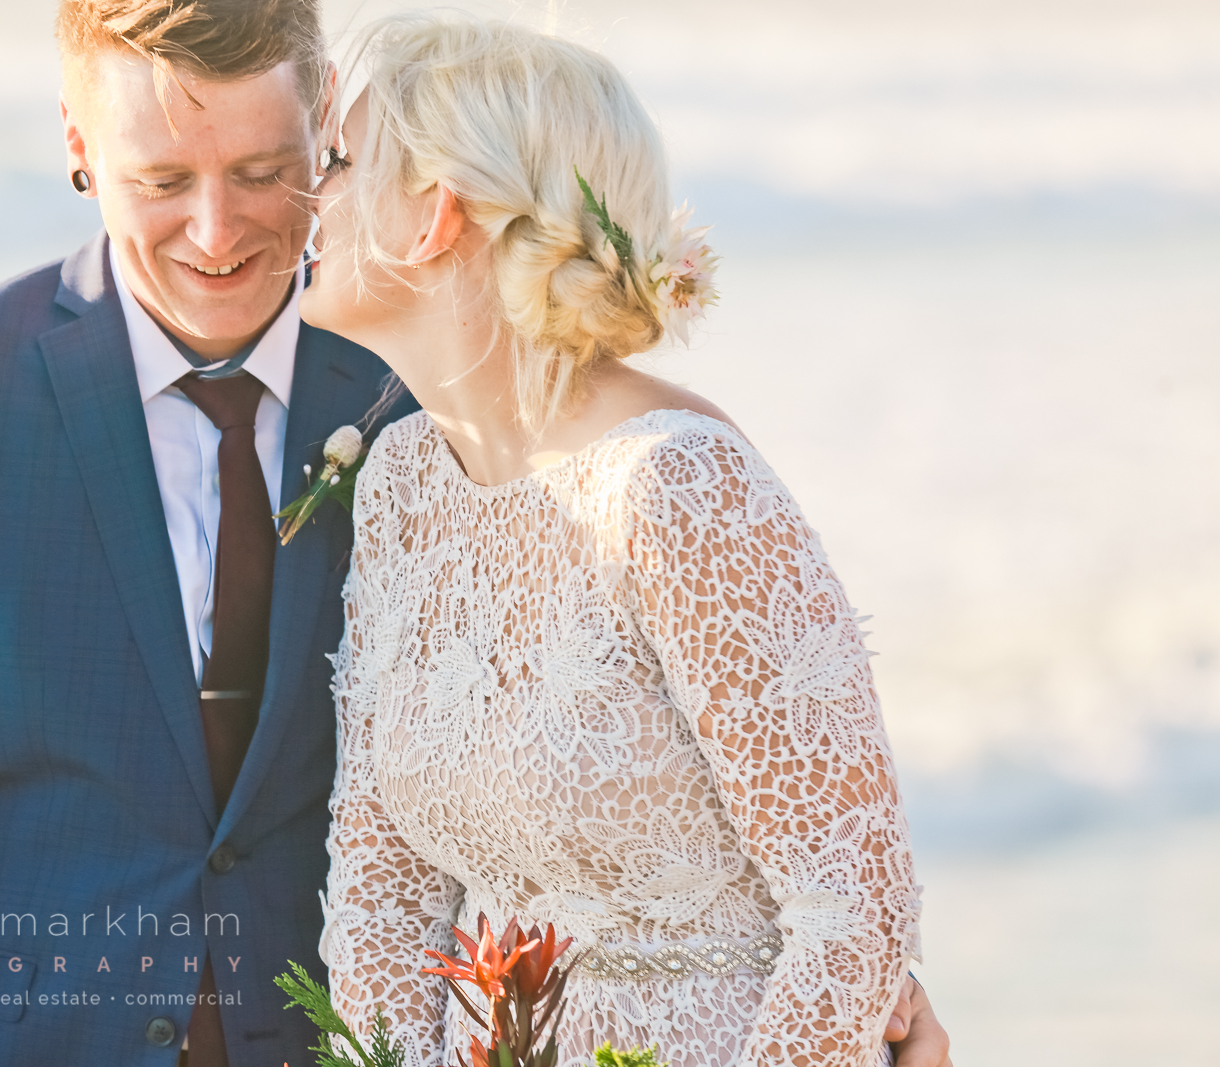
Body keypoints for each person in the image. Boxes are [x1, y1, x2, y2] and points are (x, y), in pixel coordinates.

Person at [0, 2, 416, 1064]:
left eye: (257, 170)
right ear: (77, 147)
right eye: (161, 181)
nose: (216, 230)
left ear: (322, 122)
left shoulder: (415, 396)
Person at [309, 15, 938, 1067]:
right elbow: (383, 883)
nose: (307, 193)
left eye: (337, 162)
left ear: (433, 213)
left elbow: (853, 900)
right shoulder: (403, 483)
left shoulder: (674, 485)